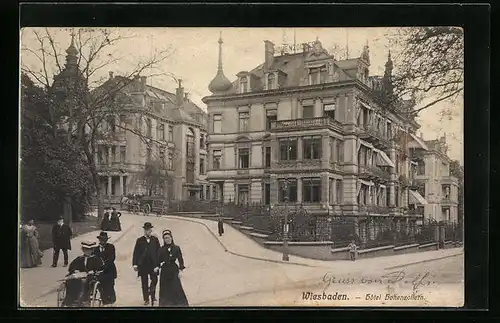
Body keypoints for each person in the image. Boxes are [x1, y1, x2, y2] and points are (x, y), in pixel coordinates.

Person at [62, 241, 105, 307]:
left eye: (89, 250)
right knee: (70, 280)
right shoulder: (79, 259)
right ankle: (71, 299)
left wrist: (93, 271)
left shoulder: (96, 259)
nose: (87, 251)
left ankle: (85, 299)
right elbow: (71, 267)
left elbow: (100, 268)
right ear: (83, 250)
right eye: (85, 249)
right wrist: (75, 270)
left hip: (90, 277)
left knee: (87, 281)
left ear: (92, 250)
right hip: (79, 276)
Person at [157, 230, 189, 307]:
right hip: (165, 270)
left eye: (168, 238)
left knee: (176, 286)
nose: (167, 240)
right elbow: (158, 260)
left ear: (171, 238)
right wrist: (158, 266)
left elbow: (180, 259)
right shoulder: (161, 249)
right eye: (165, 238)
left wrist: (181, 270)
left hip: (174, 269)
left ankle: (179, 304)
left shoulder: (176, 248)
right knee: (165, 288)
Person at [132, 222, 161, 306]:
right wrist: (135, 264)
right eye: (146, 230)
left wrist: (158, 265)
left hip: (153, 264)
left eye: (149, 230)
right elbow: (136, 253)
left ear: (151, 230)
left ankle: (152, 294)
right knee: (144, 282)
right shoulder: (139, 240)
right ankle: (146, 299)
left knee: (154, 280)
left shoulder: (155, 240)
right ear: (144, 230)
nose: (147, 231)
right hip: (143, 265)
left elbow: (158, 252)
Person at [94, 232, 117, 307]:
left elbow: (111, 259)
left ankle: (112, 301)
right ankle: (105, 302)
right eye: (101, 240)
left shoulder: (111, 247)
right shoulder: (95, 249)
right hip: (99, 271)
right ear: (99, 240)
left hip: (109, 270)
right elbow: (94, 259)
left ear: (106, 240)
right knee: (101, 287)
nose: (102, 242)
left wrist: (103, 267)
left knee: (110, 286)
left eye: (104, 240)